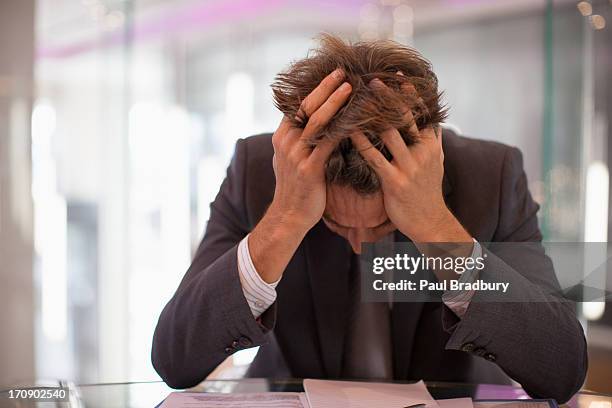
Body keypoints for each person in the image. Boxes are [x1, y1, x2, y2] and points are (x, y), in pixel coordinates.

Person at [151, 35, 587, 403]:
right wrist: (284, 220)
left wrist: (434, 226)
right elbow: (175, 359)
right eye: (336, 225)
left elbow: (562, 369)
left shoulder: (492, 176)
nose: (361, 246)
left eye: (381, 227)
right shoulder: (259, 171)